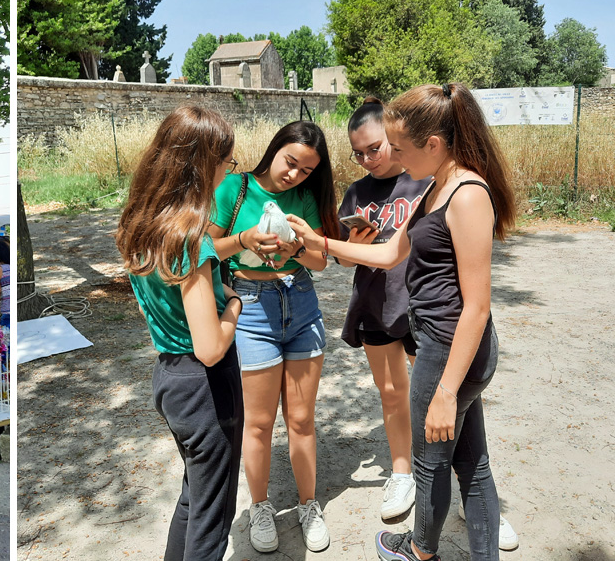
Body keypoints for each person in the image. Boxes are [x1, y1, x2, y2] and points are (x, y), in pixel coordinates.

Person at [288, 82, 515, 561]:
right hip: (439, 343)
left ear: (433, 145)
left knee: (431, 465)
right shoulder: (436, 187)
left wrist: (447, 392)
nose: (395, 159)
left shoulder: (468, 195)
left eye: (400, 149)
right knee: (473, 466)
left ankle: (418, 551)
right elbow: (391, 253)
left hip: (452, 350)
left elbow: (476, 307)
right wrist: (321, 241)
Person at [115, 104, 244, 560]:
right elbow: (210, 347)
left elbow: (174, 299)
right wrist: (232, 304)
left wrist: (212, 290)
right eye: (226, 163)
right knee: (213, 520)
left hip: (169, 378)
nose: (229, 173)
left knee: (194, 498)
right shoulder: (193, 238)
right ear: (202, 164)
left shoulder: (141, 224)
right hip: (205, 387)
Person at [206, 120, 339, 553]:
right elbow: (206, 249)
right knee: (259, 423)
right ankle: (260, 507)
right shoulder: (234, 187)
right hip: (251, 308)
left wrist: (296, 249)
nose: (295, 175)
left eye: (306, 170)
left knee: (301, 419)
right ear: (275, 148)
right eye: (291, 162)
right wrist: (244, 239)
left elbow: (320, 262)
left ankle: (308, 505)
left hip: (300, 303)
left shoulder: (304, 197)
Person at [337, 97, 429, 519]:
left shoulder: (424, 181)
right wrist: (355, 243)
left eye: (374, 148)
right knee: (391, 395)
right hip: (374, 304)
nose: (366, 159)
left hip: (423, 307)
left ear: (392, 138)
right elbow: (343, 260)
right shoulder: (356, 192)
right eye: (358, 152)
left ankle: (462, 479)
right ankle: (402, 472)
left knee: (437, 396)